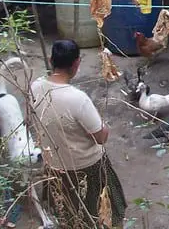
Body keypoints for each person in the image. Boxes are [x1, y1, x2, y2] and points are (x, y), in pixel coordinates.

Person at [30, 39, 126, 228]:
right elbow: (101, 137)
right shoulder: (77, 99)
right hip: (87, 168)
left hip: (54, 167)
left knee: (68, 219)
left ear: (51, 60)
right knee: (107, 216)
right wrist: (102, 122)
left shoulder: (35, 87)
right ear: (76, 64)